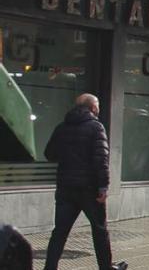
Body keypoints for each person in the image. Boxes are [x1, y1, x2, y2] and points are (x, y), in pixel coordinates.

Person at [42, 94, 127, 270]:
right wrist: (103, 187)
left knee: (60, 232)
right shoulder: (96, 127)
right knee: (100, 230)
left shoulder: (62, 127)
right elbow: (101, 160)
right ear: (93, 108)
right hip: (90, 189)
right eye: (97, 105)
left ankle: (49, 267)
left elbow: (49, 154)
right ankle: (105, 267)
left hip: (66, 188)